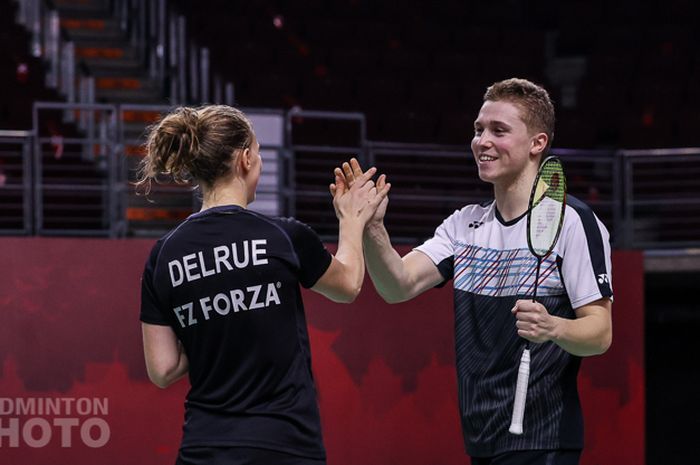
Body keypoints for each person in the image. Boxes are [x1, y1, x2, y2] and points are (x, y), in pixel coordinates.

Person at [332, 78, 613, 465]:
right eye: (479, 130)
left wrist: (555, 328)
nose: (482, 141)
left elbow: (600, 332)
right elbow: (397, 285)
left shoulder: (571, 221)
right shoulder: (463, 226)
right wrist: (372, 227)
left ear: (537, 143)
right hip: (481, 440)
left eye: (499, 131)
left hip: (543, 440)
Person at [137, 104, 389, 465]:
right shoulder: (283, 236)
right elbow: (348, 284)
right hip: (284, 445)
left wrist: (219, 325)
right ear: (244, 159)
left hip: (204, 449)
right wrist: (351, 218)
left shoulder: (163, 256)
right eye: (257, 153)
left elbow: (162, 370)